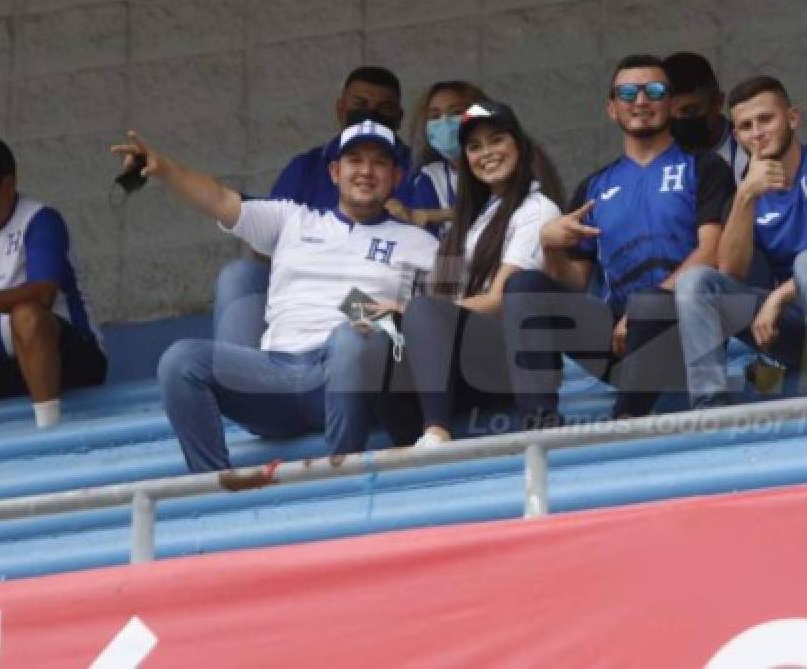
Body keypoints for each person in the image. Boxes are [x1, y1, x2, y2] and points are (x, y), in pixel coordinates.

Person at [115, 119, 437, 472]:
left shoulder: (420, 243)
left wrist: (400, 310)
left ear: (397, 177)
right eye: (354, 160)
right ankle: (213, 489)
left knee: (350, 339)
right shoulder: (292, 219)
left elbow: (447, 318)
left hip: (349, 373)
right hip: (274, 375)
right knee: (180, 360)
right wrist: (165, 170)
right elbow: (221, 199)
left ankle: (343, 474)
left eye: (379, 162)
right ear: (334, 172)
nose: (366, 171)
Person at [503, 54, 735, 421]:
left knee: (649, 302)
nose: (641, 101)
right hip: (618, 340)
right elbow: (576, 283)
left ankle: (626, 418)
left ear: (672, 103)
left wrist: (647, 305)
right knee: (523, 286)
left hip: (685, 331)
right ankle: (539, 421)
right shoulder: (594, 187)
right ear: (612, 108)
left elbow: (712, 253)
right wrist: (551, 248)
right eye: (628, 93)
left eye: (654, 91)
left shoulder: (705, 167)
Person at [675, 77, 807, 405]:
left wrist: (778, 297)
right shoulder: (742, 197)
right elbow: (730, 274)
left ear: (792, 118)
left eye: (766, 119)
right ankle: (709, 409)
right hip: (801, 327)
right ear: (737, 136)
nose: (758, 132)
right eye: (746, 126)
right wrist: (746, 195)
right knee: (696, 283)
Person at [397, 100, 566, 446]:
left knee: (422, 310)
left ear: (519, 144)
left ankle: (436, 432)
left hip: (512, 363)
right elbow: (442, 301)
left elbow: (501, 299)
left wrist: (414, 312)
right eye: (474, 146)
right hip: (465, 363)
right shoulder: (471, 220)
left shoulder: (538, 209)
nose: (485, 153)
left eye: (496, 140)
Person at [213, 66, 408, 349]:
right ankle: (239, 382)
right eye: (360, 104)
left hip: (370, 297)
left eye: (384, 108)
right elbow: (262, 240)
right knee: (239, 275)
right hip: (303, 291)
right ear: (334, 172)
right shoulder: (307, 167)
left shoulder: (414, 172)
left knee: (342, 309)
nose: (365, 172)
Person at [0, 135, 106, 426]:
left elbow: (43, 294)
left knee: (28, 314)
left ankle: (49, 431)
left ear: (8, 185)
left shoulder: (40, 220)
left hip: (70, 363)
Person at [390, 80, 487, 235]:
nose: (445, 122)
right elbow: (424, 235)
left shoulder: (500, 167)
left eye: (456, 113)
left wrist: (435, 215)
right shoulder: (430, 176)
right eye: (435, 116)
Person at [665, 51, 749, 185]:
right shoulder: (658, 157)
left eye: (689, 111)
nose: (679, 119)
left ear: (717, 102)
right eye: (668, 113)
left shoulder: (751, 149)